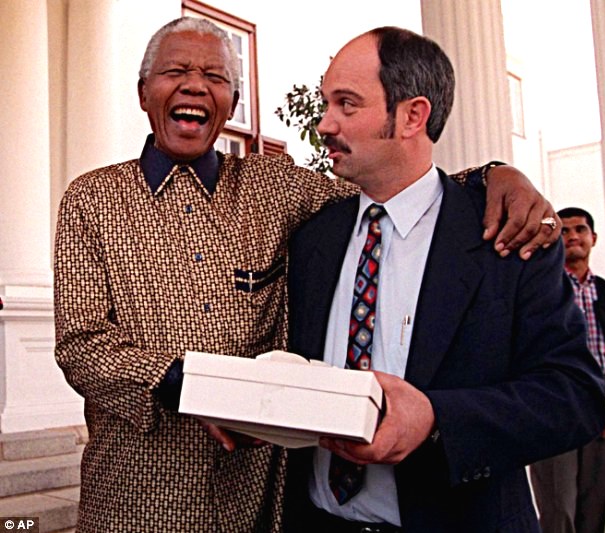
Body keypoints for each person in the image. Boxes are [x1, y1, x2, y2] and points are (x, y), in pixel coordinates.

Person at [54, 17, 561, 533]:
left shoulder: (276, 187)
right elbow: (81, 344)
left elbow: (398, 186)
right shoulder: (91, 199)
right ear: (143, 93)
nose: (194, 85)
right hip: (133, 495)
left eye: (214, 76)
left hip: (257, 504)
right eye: (175, 71)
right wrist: (190, 386)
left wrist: (495, 175)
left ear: (229, 103)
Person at [282, 27, 605, 533]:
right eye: (326, 103)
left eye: (347, 104)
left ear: (413, 115)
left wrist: (437, 418)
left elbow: (575, 397)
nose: (325, 123)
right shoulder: (312, 240)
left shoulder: (509, 236)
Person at [530, 207, 605, 533]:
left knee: (594, 515)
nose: (573, 236)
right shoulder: (536, 294)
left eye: (580, 229)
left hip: (602, 422)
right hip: (553, 423)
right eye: (564, 230)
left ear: (593, 238)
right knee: (558, 516)